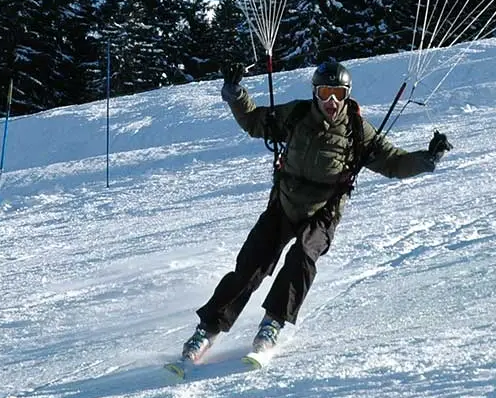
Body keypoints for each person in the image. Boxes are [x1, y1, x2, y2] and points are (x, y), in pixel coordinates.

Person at [178, 58, 451, 364]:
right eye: (324, 93)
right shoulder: (295, 114)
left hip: (324, 211)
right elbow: (255, 121)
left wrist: (427, 159)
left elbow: (392, 162)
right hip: (283, 203)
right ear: (314, 94)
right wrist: (235, 93)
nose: (331, 101)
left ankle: (272, 323)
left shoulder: (358, 131)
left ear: (347, 94)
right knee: (251, 265)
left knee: (302, 258)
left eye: (337, 93)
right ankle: (207, 329)